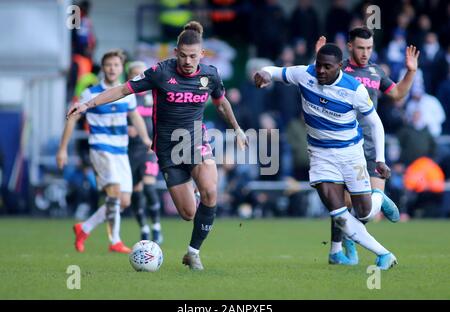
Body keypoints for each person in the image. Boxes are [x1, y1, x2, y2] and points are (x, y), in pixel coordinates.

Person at [66, 21, 248, 270]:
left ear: (202, 55)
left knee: (210, 191)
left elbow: (221, 102)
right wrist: (87, 105)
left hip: (195, 140)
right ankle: (192, 196)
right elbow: (122, 90)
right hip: (166, 149)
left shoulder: (210, 75)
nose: (187, 61)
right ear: (175, 52)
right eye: (183, 55)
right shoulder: (160, 72)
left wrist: (237, 128)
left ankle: (193, 252)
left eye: (193, 56)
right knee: (188, 214)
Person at [254, 43, 399, 270]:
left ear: (339, 67)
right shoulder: (305, 74)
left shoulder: (355, 89)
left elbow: (375, 123)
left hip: (351, 155)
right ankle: (384, 254)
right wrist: (264, 73)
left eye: (326, 67)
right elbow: (276, 71)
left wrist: (380, 159)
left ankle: (378, 197)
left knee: (365, 213)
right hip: (321, 156)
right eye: (319, 65)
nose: (320, 70)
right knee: (338, 214)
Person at [315, 27, 419, 265]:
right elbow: (317, 86)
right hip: (344, 144)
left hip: (371, 146)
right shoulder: (338, 69)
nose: (365, 53)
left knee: (367, 209)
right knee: (345, 202)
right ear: (350, 46)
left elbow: (398, 94)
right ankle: (339, 250)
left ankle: (351, 237)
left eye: (369, 48)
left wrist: (411, 72)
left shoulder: (375, 71)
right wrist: (316, 61)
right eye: (360, 48)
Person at [57, 49, 152, 254]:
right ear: (103, 67)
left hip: (120, 150)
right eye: (108, 65)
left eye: (116, 65)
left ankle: (85, 227)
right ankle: (115, 240)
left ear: (121, 68)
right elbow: (72, 119)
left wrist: (145, 139)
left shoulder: (126, 93)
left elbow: (135, 118)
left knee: (124, 201)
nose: (112, 68)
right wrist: (63, 149)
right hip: (100, 148)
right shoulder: (90, 94)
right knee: (115, 192)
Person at [126, 61, 163, 243]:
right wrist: (125, 130)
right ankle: (144, 229)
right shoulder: (127, 97)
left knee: (149, 186)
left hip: (149, 148)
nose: (141, 76)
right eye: (136, 73)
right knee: (136, 192)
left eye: (143, 73)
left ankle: (157, 227)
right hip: (130, 151)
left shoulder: (154, 95)